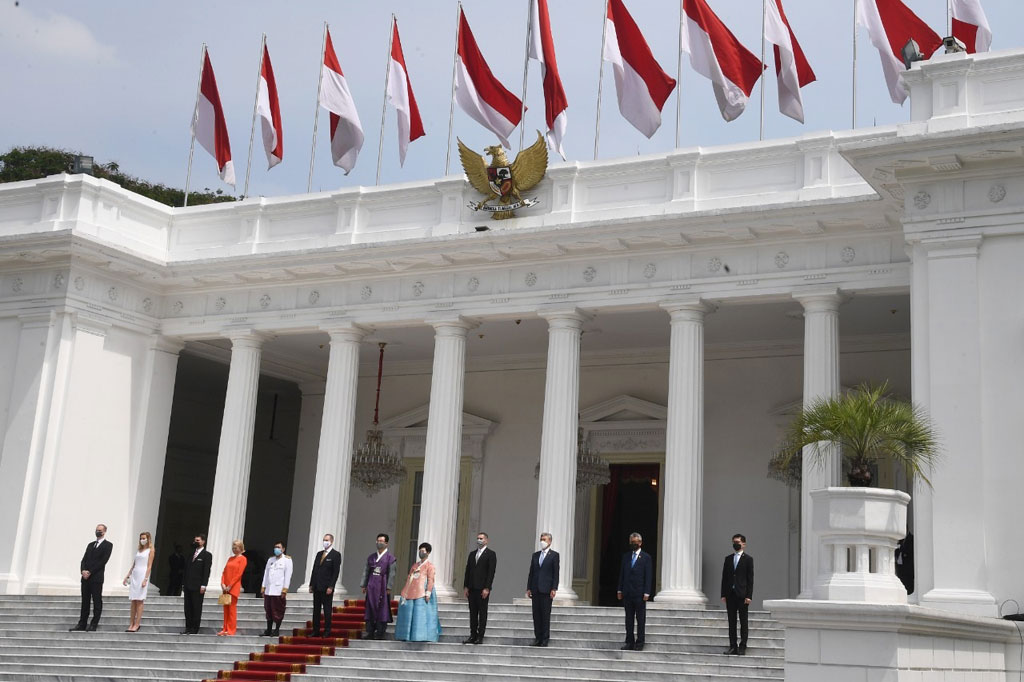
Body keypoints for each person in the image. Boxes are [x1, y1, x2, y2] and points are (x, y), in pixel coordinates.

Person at [394, 542, 442, 642]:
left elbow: (431, 580)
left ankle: (422, 636)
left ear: (428, 552)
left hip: (423, 592)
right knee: (409, 614)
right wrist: (405, 591)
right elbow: (409, 577)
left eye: (423, 551)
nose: (420, 552)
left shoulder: (430, 566)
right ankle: (407, 635)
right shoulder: (415, 565)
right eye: (419, 550)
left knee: (421, 615)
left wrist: (428, 593)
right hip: (411, 591)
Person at [70, 523, 112, 632]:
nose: (98, 532)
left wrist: (90, 572)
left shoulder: (108, 545)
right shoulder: (90, 545)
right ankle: (82, 623)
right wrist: (83, 571)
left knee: (97, 601)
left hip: (96, 578)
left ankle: (94, 624)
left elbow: (103, 561)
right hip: (85, 578)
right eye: (97, 530)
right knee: (85, 601)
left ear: (104, 532)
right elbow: (84, 559)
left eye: (100, 530)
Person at [617, 531, 654, 651]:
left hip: (640, 593)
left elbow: (648, 576)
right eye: (631, 542)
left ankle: (640, 642)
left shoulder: (646, 557)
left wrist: (647, 592)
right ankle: (629, 642)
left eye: (635, 542)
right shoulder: (626, 556)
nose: (633, 544)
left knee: (640, 619)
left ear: (640, 543)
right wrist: (619, 589)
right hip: (627, 593)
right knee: (629, 619)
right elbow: (622, 574)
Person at [720, 533, 754, 655]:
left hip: (742, 595)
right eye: (734, 542)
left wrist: (749, 596)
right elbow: (724, 578)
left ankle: (742, 646)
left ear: (743, 544)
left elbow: (750, 579)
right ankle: (733, 646)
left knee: (743, 621)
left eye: (738, 542)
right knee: (732, 622)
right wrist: (723, 594)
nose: (735, 544)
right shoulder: (728, 559)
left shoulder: (748, 559)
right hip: (730, 594)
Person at [361, 533, 398, 640]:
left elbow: (392, 574)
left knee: (382, 609)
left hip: (382, 586)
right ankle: (370, 631)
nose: (379, 543)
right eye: (378, 541)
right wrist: (364, 584)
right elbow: (366, 571)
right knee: (370, 608)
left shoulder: (391, 558)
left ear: (386, 543)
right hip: (371, 585)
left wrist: (389, 587)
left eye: (381, 541)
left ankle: (380, 632)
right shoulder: (371, 557)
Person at [526, 531, 559, 647]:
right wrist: (529, 587)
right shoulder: (535, 555)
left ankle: (545, 639)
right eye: (541, 539)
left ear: (549, 541)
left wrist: (554, 588)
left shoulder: (554, 555)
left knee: (545, 615)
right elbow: (531, 572)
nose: (542, 541)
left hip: (546, 590)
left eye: (544, 540)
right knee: (536, 615)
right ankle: (537, 638)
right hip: (535, 589)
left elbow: (556, 573)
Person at [462, 531, 496, 644]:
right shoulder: (472, 554)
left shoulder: (490, 554)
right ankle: (473, 635)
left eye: (481, 538)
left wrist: (487, 588)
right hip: (472, 588)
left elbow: (491, 572)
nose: (479, 540)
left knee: (482, 613)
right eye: (478, 538)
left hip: (482, 588)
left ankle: (480, 636)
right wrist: (466, 586)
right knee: (473, 613)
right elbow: (468, 571)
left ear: (486, 540)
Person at [308, 533, 341, 638]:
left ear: (331, 541)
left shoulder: (335, 555)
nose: (325, 542)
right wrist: (311, 584)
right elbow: (315, 570)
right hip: (317, 586)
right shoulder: (319, 554)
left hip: (326, 587)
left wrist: (331, 586)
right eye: (324, 540)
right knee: (316, 610)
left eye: (327, 540)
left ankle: (327, 631)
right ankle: (315, 630)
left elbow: (335, 572)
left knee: (327, 610)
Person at [121, 531, 155, 632]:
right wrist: (128, 575)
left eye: (144, 538)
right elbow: (134, 564)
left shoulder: (150, 550)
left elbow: (149, 566)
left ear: (148, 539)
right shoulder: (139, 550)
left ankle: (137, 624)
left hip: (142, 575)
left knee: (139, 600)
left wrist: (145, 579)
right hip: (135, 575)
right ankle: (131, 623)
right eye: (141, 538)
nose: (142, 540)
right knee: (133, 600)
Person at [181, 533, 212, 635]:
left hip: (198, 586)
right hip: (188, 585)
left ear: (203, 541)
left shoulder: (206, 555)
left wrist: (204, 585)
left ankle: (195, 628)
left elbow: (206, 571)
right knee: (188, 607)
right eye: (195, 540)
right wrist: (183, 583)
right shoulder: (190, 554)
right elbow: (186, 569)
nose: (195, 542)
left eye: (198, 540)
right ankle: (188, 627)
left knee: (196, 607)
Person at [260, 541, 293, 637]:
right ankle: (268, 629)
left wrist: (285, 589)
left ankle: (277, 629)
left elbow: (287, 576)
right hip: (269, 589)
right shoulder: (271, 560)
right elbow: (266, 574)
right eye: (275, 547)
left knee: (278, 610)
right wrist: (263, 587)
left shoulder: (287, 560)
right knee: (268, 610)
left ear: (283, 549)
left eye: (279, 547)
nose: (276, 549)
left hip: (278, 590)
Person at [218, 539, 247, 636]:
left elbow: (239, 574)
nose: (234, 549)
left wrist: (230, 585)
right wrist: (222, 583)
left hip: (233, 587)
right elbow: (224, 572)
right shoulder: (230, 558)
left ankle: (231, 630)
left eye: (236, 548)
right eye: (233, 548)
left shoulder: (243, 559)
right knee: (225, 609)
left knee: (231, 609)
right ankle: (224, 629)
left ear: (241, 548)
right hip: (225, 588)